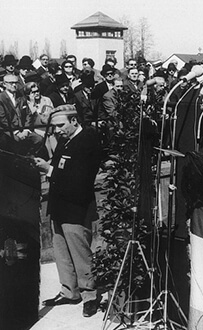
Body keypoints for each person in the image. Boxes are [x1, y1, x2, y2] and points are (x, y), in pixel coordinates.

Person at [33, 105, 102, 318]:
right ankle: (69, 291)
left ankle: (90, 295)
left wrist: (49, 170)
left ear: (74, 121)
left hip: (77, 206)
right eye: (54, 127)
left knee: (80, 252)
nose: (57, 131)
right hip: (59, 205)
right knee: (61, 251)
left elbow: (80, 178)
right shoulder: (65, 139)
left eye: (61, 125)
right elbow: (60, 167)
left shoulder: (88, 140)